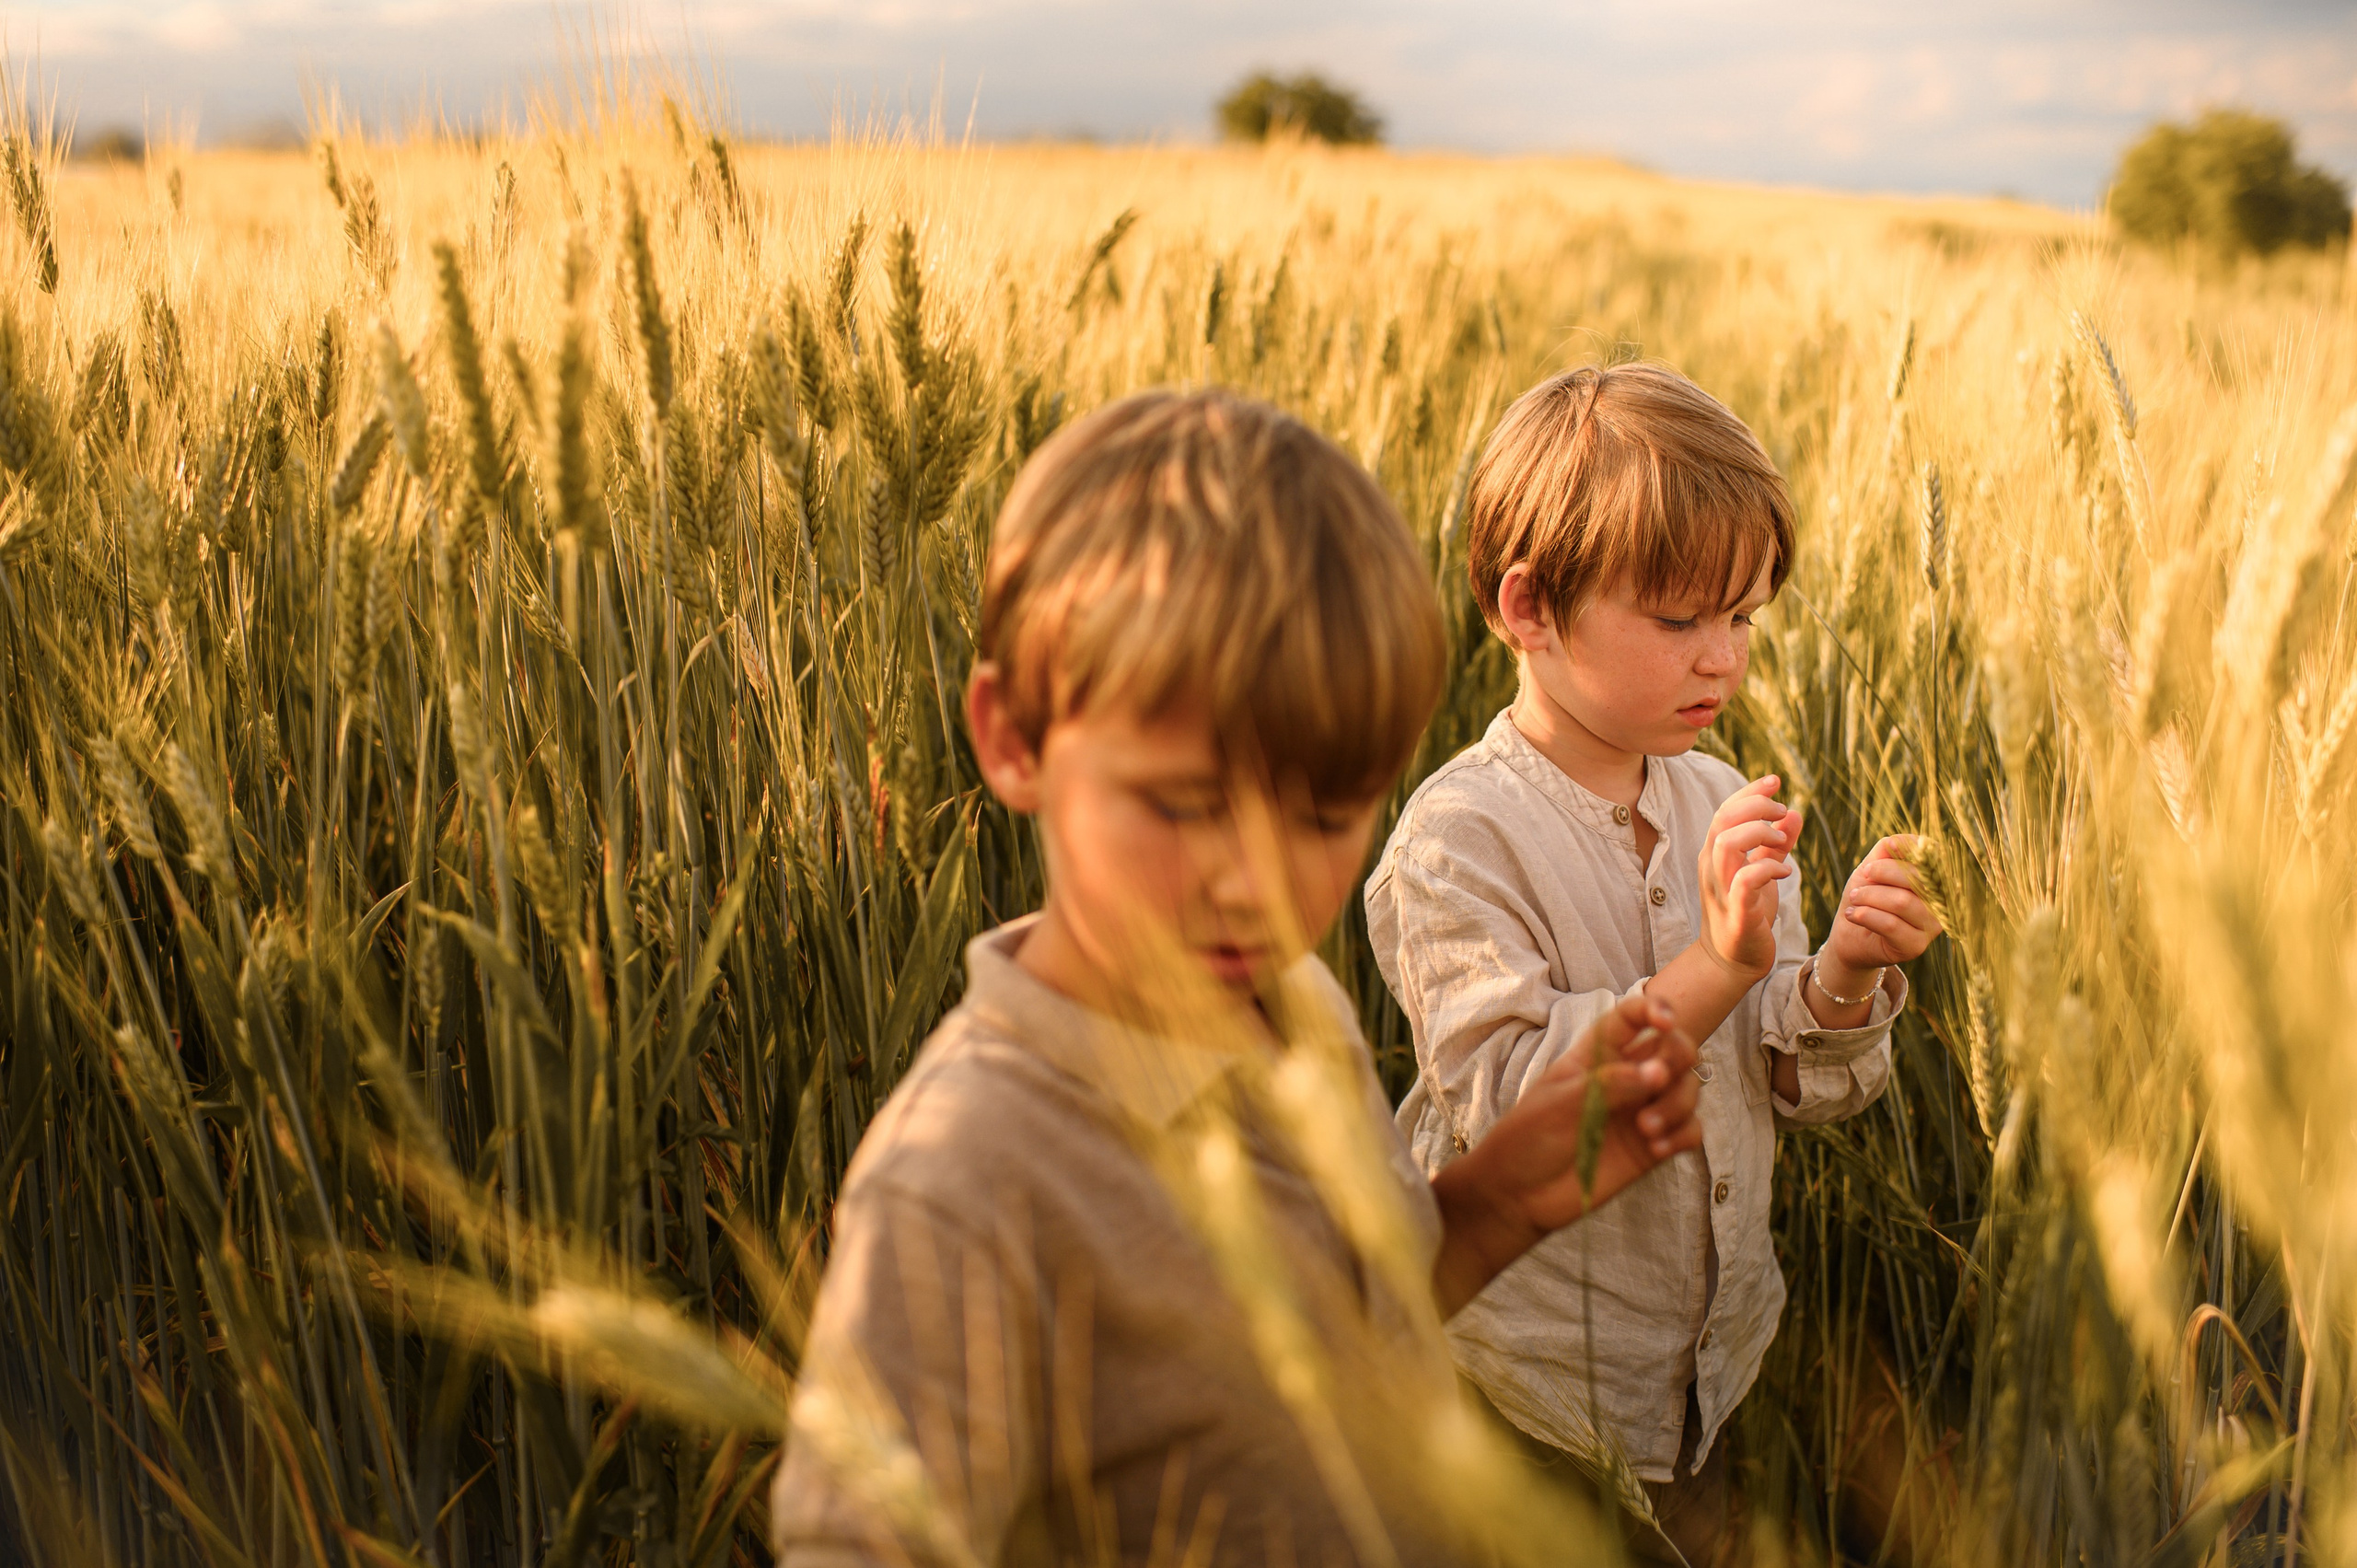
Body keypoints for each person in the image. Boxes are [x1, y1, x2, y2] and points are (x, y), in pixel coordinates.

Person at [770, 388, 1706, 1565]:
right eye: (1184, 804)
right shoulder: (965, 1178)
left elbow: (1363, 1315)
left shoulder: (1292, 1005)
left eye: (1320, 815)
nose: (1251, 883)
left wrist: (1508, 1192)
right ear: (1013, 736)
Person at [1364, 362, 1944, 1568]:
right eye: (1681, 620)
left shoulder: (1720, 796)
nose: (1722, 659)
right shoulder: (1457, 837)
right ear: (1529, 608)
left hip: (1709, 1364)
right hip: (1527, 1388)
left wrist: (1835, 968)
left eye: (1743, 619)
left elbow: (1798, 1071)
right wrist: (1719, 964)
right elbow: (1511, 1099)